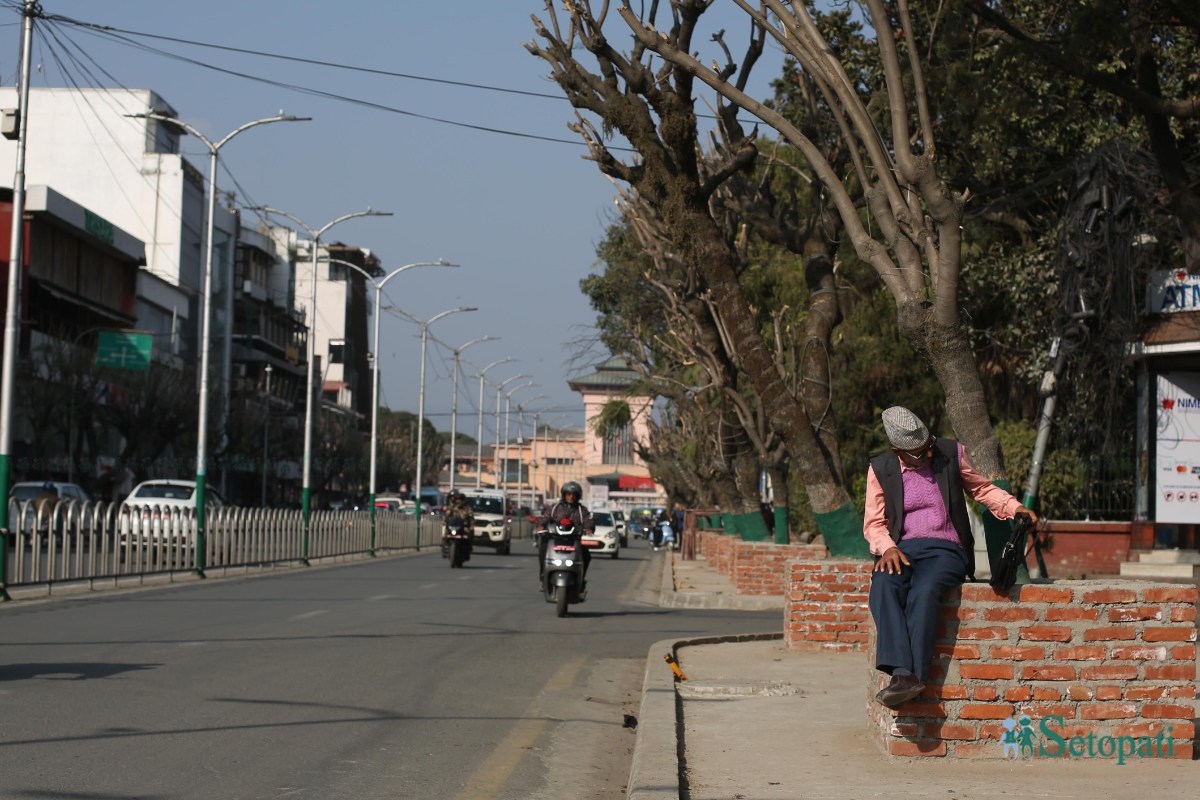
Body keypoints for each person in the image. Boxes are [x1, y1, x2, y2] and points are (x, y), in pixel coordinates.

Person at [864, 406, 1038, 709]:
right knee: (883, 583)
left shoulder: (950, 453)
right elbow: (874, 523)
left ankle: (908, 676)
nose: (929, 456)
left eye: (928, 447)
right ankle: (904, 675)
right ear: (897, 451)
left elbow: (981, 489)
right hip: (901, 550)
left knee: (925, 590)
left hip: (946, 549)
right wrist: (888, 548)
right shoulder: (881, 469)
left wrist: (1014, 507)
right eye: (919, 454)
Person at [538, 481, 594, 585]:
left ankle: (581, 578)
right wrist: (541, 525)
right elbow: (545, 518)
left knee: (586, 555)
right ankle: (543, 575)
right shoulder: (555, 508)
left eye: (574, 494)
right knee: (543, 549)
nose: (571, 497)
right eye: (569, 494)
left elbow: (588, 521)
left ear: (578, 496)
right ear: (564, 494)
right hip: (555, 539)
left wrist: (589, 528)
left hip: (574, 541)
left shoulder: (581, 510)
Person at [441, 490, 474, 559]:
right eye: (457, 500)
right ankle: (445, 547)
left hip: (463, 526)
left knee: (469, 534)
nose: (458, 501)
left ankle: (468, 548)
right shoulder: (452, 507)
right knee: (445, 534)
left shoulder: (467, 508)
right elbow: (447, 515)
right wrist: (444, 521)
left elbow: (471, 517)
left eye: (460, 500)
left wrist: (471, 525)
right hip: (453, 525)